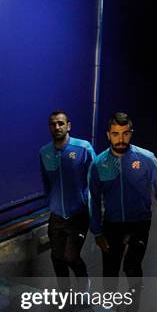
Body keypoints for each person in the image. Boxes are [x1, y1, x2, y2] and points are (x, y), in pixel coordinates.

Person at [88, 112, 157, 288]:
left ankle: (132, 310)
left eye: (125, 133)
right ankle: (110, 311)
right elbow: (94, 200)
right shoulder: (98, 163)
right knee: (110, 271)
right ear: (108, 135)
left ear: (131, 133)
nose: (120, 138)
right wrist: (97, 231)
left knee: (132, 266)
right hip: (112, 224)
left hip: (140, 223)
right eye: (115, 134)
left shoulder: (147, 158)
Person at [40, 111, 95, 289]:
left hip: (78, 215)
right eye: (53, 123)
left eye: (61, 123)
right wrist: (51, 203)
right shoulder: (45, 152)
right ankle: (64, 292)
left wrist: (93, 206)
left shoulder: (83, 148)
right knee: (57, 258)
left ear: (68, 126)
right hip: (56, 216)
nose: (57, 127)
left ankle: (83, 285)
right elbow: (46, 182)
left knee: (71, 256)